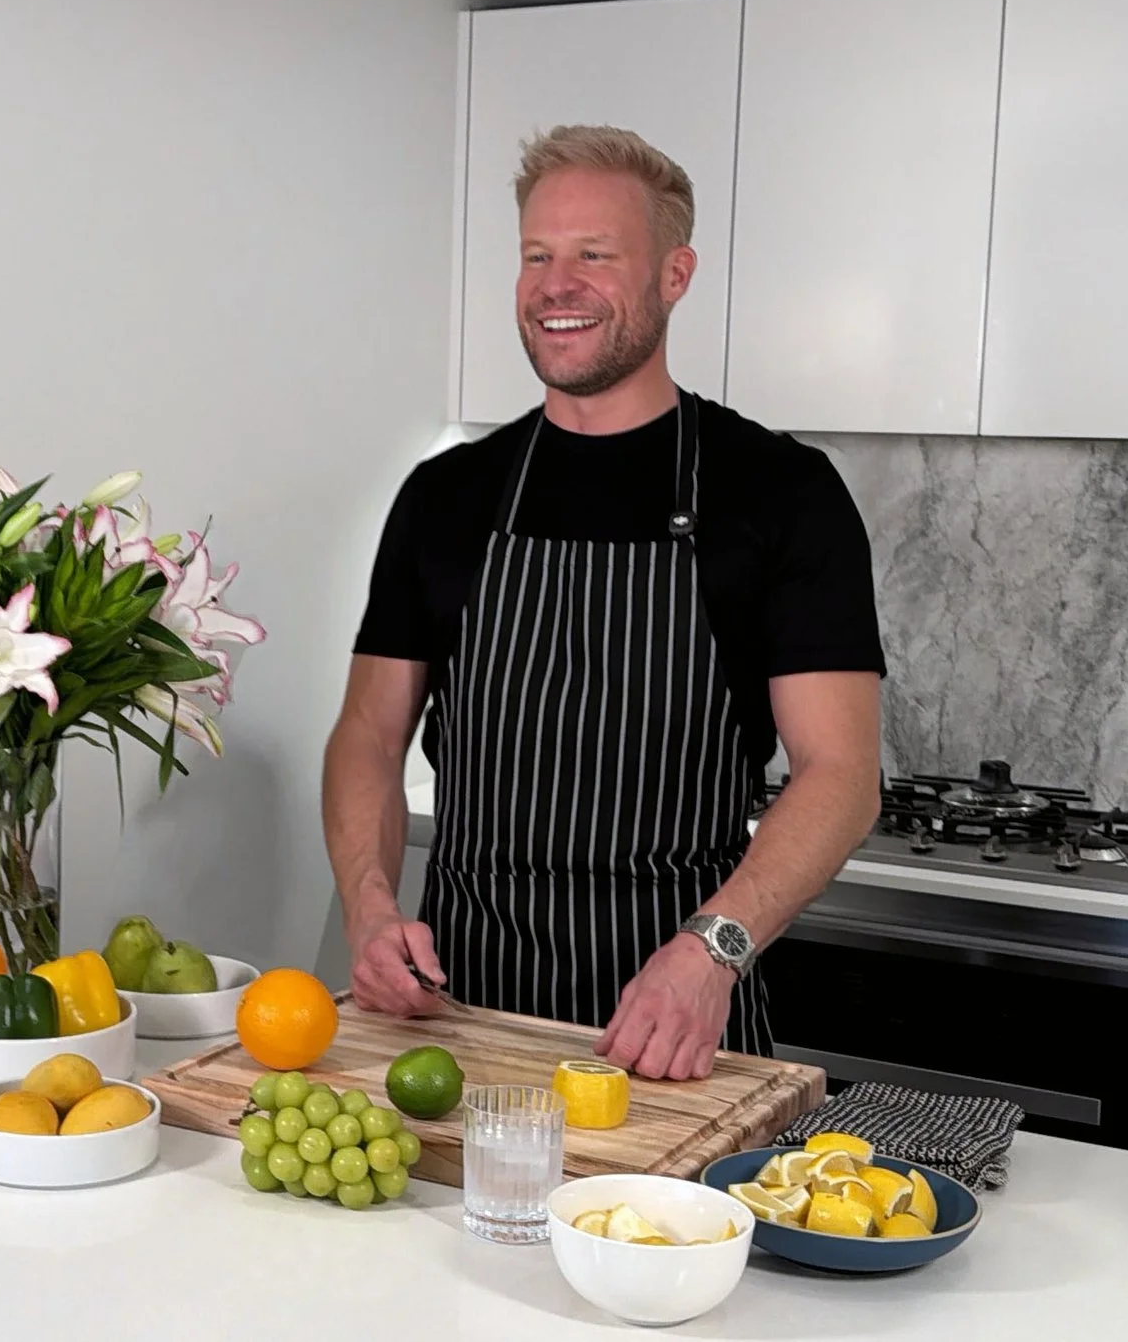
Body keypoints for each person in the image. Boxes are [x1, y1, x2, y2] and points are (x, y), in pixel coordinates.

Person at [322, 124, 883, 1081]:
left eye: (595, 254)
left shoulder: (782, 492)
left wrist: (713, 953)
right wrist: (372, 913)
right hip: (463, 1024)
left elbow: (841, 774)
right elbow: (369, 738)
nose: (556, 283)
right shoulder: (446, 495)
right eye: (538, 254)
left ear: (675, 274)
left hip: (679, 1031)